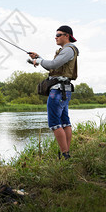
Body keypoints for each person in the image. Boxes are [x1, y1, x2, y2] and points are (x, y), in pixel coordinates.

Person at [28, 25, 79, 159]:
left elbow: (52, 65)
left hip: (57, 92)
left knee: (55, 123)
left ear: (66, 36)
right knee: (65, 122)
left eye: (58, 35)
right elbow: (55, 67)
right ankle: (66, 153)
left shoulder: (68, 50)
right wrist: (39, 58)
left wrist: (39, 60)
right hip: (63, 91)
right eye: (55, 35)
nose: (55, 37)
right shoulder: (65, 51)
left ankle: (65, 155)